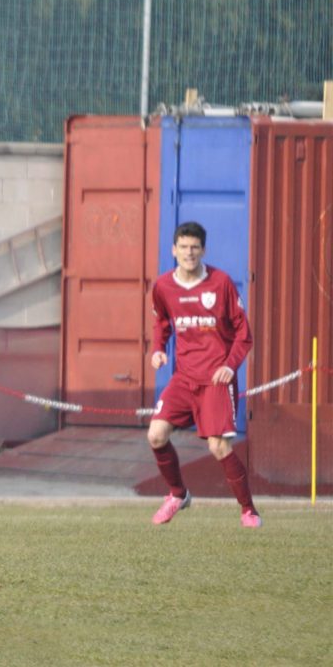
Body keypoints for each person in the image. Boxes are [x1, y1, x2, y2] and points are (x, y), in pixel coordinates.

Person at [147, 221, 261, 528]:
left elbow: (244, 334)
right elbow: (161, 323)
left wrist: (229, 366)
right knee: (156, 435)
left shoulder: (221, 283)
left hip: (215, 380)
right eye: (184, 247)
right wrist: (158, 349)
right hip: (184, 378)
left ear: (204, 250)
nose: (189, 253)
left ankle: (248, 510)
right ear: (174, 250)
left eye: (195, 247)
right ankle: (178, 494)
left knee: (218, 446)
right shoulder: (163, 286)